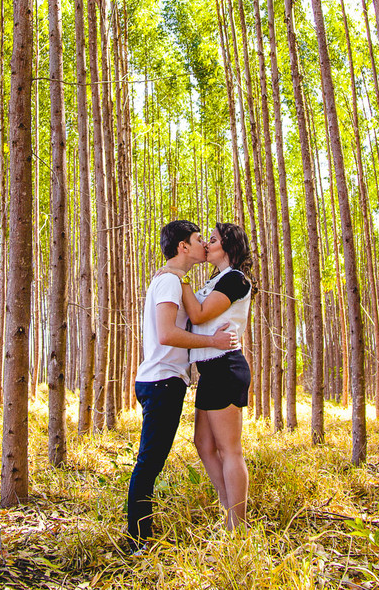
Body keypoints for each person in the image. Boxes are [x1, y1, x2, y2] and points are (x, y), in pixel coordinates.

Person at [126, 220, 238, 548]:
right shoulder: (169, 282)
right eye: (199, 239)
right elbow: (166, 333)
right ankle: (137, 540)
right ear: (183, 247)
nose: (205, 243)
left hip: (162, 381)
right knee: (149, 463)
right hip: (162, 383)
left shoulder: (174, 280)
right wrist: (212, 344)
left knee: (151, 461)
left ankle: (140, 535)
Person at [164, 222, 253, 531]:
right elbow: (193, 318)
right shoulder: (216, 280)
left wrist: (181, 280)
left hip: (226, 366)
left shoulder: (236, 280)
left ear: (227, 247)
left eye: (212, 240)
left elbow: (200, 314)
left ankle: (237, 526)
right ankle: (228, 506)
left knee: (230, 449)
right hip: (210, 369)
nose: (207, 244)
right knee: (202, 443)